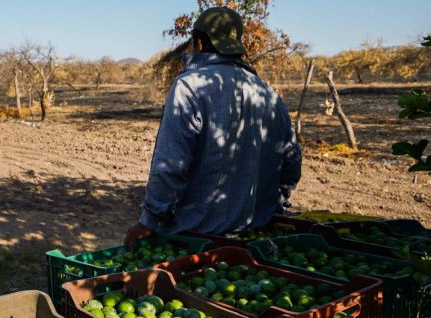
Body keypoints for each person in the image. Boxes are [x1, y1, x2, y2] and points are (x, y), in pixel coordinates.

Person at [125, 7, 302, 247]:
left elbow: (170, 166)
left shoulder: (189, 86)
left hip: (196, 241)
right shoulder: (268, 93)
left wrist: (149, 221)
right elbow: (291, 165)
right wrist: (270, 205)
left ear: (198, 43)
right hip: (255, 239)